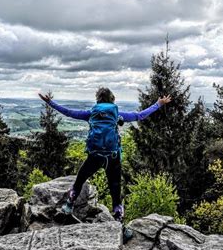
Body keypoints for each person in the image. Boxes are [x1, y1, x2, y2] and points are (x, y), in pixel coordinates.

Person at [38, 87, 172, 236]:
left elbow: (69, 112)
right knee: (115, 192)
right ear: (112, 99)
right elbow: (139, 116)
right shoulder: (117, 115)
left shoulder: (91, 114)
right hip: (112, 158)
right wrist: (158, 104)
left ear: (98, 100)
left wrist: (50, 102)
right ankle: (120, 226)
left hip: (94, 156)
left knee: (80, 179)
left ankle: (69, 206)